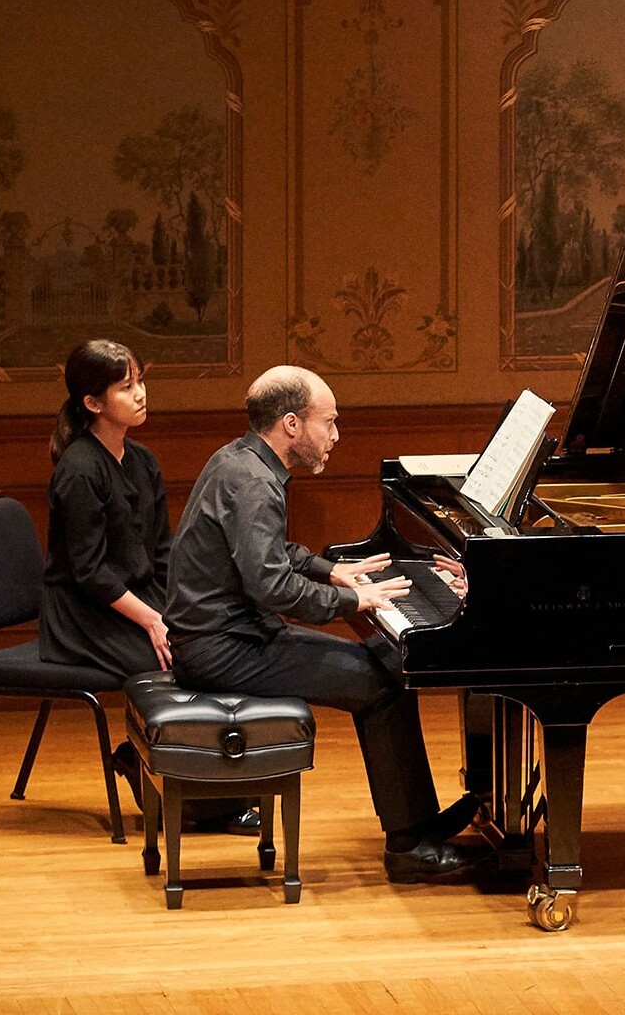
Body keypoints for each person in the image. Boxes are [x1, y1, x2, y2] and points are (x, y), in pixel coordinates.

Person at [165, 365, 480, 882]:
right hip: (222, 648)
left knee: (384, 663)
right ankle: (409, 847)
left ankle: (418, 823)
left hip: (231, 635)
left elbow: (272, 554)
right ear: (291, 424)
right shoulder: (253, 483)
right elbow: (271, 588)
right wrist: (352, 599)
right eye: (328, 422)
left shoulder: (240, 461)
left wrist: (331, 569)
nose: (335, 436)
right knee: (382, 684)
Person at [41, 339, 257, 833]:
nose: (141, 394)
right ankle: (183, 792)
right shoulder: (78, 470)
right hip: (85, 613)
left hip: (139, 601)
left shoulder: (141, 460)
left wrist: (181, 610)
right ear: (92, 403)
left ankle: (210, 786)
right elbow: (89, 571)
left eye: (140, 381)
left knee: (214, 644)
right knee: (181, 667)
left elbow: (163, 551)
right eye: (126, 386)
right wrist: (153, 619)